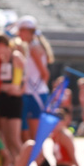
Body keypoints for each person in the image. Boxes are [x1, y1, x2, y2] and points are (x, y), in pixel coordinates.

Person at [0, 107, 84, 166]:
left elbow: (72, 160)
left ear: (64, 122)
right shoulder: (55, 136)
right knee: (31, 145)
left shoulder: (65, 136)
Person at [17, 15, 54, 143]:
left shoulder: (34, 47)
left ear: (28, 31)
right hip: (30, 93)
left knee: (35, 137)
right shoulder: (30, 47)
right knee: (26, 135)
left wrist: (35, 89)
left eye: (21, 30)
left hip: (35, 94)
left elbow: (45, 73)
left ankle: (40, 162)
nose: (18, 34)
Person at [0, 32, 26, 164]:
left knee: (14, 138)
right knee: (6, 138)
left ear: (1, 45)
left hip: (14, 100)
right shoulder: (1, 59)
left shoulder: (16, 57)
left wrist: (20, 91)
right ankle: (14, 165)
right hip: (3, 99)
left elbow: (26, 77)